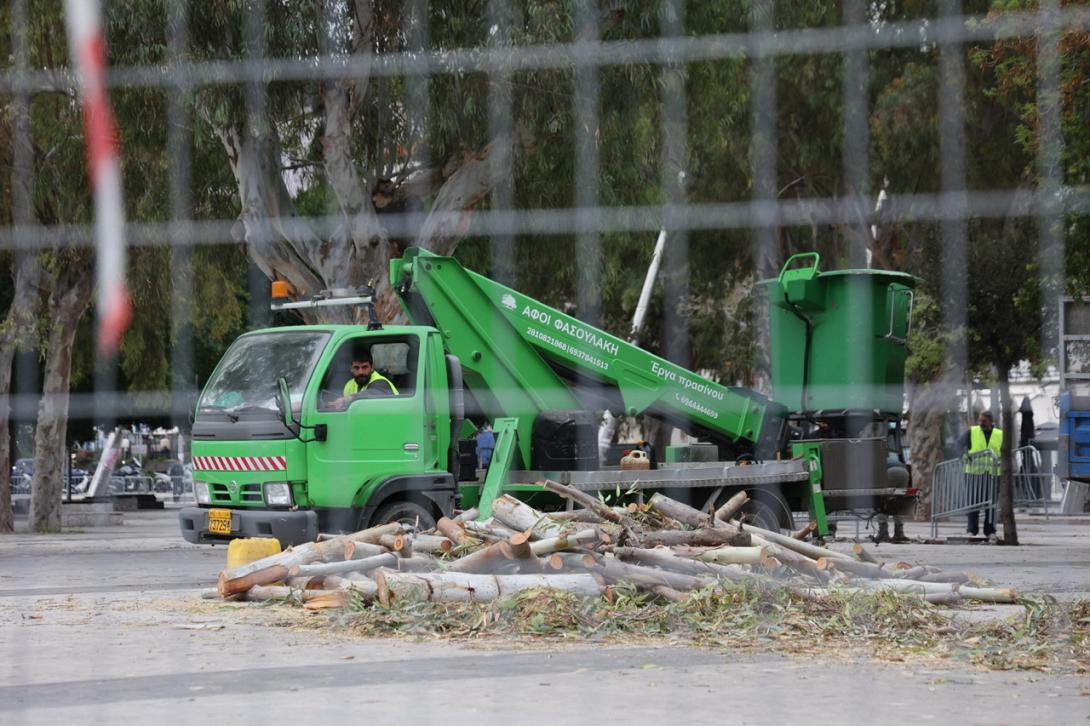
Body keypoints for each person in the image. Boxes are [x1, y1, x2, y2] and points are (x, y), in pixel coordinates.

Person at [963, 410, 1002, 540]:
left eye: (984, 421)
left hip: (993, 474)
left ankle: (990, 530)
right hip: (974, 473)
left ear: (991, 421)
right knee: (973, 503)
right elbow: (959, 444)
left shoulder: (999, 434)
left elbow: (1005, 451)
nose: (981, 423)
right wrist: (964, 454)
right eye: (980, 420)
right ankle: (972, 530)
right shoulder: (972, 431)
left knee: (991, 504)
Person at [332, 352, 398, 409]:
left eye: (365, 367)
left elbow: (375, 393)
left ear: (372, 367)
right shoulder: (349, 385)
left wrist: (348, 398)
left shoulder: (380, 382)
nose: (360, 372)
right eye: (356, 368)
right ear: (351, 369)